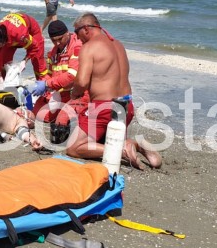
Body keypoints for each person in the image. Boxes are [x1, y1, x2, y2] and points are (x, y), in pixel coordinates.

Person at [66, 13, 162, 170]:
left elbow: (82, 82)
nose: (77, 38)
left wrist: (74, 93)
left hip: (103, 108)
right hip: (126, 106)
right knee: (105, 141)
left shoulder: (89, 47)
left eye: (76, 33)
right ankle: (135, 145)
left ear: (85, 29)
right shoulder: (118, 45)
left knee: (74, 147)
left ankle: (123, 150)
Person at [28, 20, 86, 142]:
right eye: (54, 40)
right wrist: (42, 86)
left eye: (60, 39)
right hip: (59, 92)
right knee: (35, 116)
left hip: (76, 94)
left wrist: (47, 84)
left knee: (61, 122)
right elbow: (49, 74)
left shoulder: (77, 47)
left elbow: (72, 76)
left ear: (67, 33)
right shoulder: (54, 52)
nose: (57, 43)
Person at [0, 11, 48, 82]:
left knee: (38, 62)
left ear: (4, 41)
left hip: (31, 30)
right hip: (10, 36)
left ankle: (43, 85)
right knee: (5, 64)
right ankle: (5, 83)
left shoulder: (19, 34)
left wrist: (24, 61)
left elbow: (34, 47)